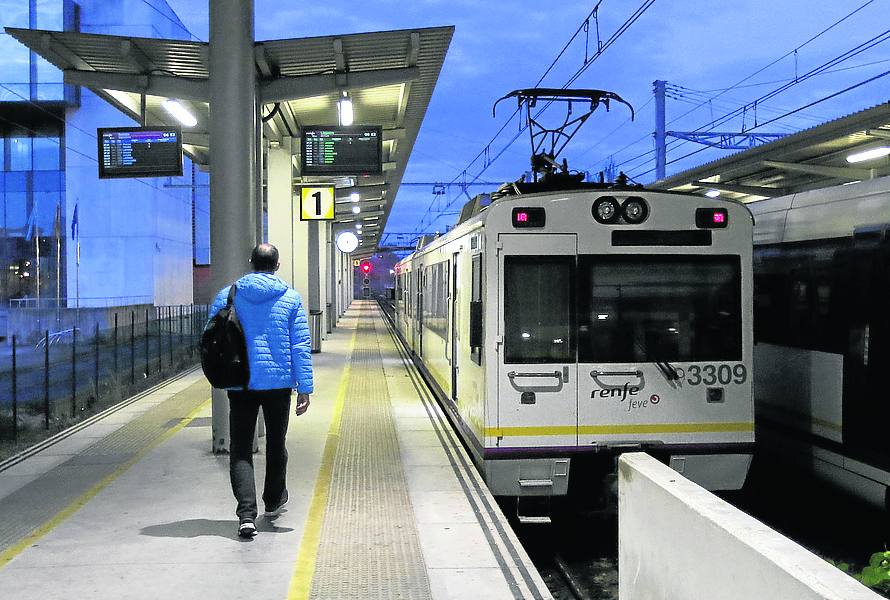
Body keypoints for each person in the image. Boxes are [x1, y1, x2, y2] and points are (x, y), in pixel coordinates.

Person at [208, 243, 313, 538]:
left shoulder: (228, 295)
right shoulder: (291, 299)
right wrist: (304, 387)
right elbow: (300, 346)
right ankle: (274, 500)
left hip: (240, 382)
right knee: (276, 443)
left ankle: (246, 515)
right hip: (278, 385)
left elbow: (213, 336)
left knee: (240, 448)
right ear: (277, 266)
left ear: (251, 262)